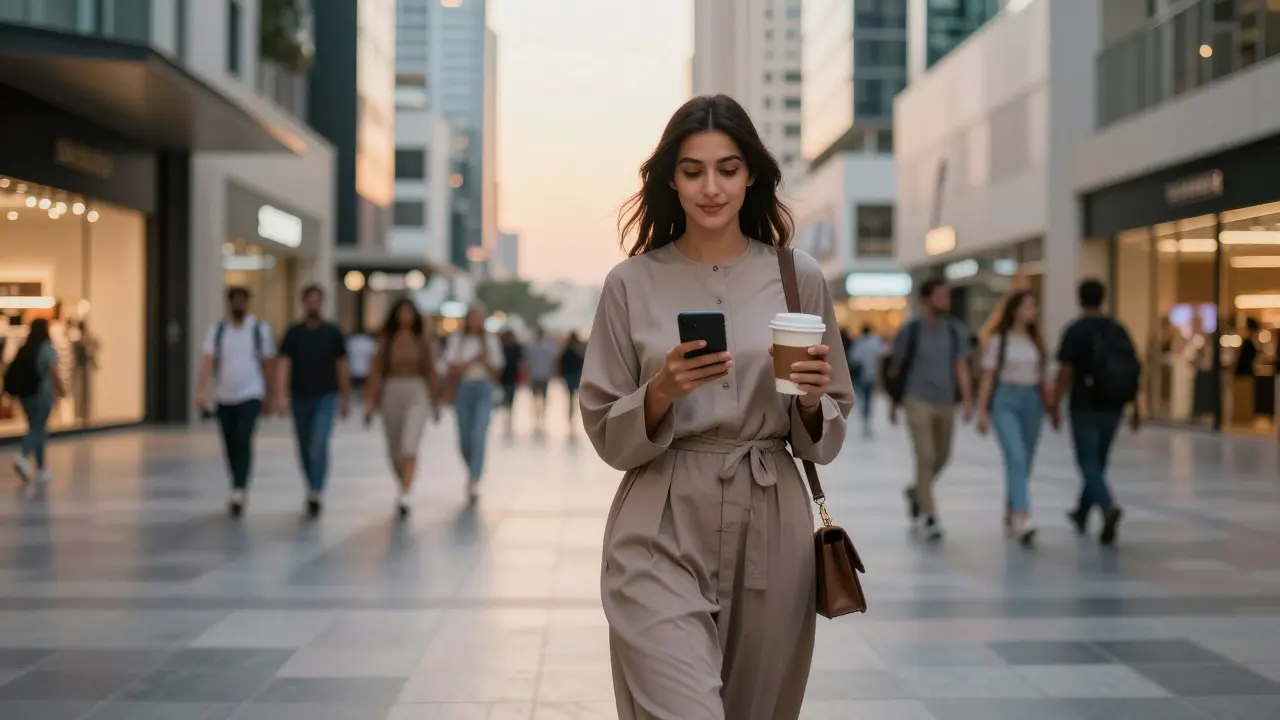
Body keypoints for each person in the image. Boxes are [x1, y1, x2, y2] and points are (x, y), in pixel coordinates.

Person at [579, 94, 852, 720]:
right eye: (693, 170)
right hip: (660, 517)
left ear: (751, 173)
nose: (711, 187)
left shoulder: (797, 275)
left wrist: (811, 402)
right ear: (670, 178)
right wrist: (661, 391)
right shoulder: (631, 283)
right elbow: (602, 427)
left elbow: (831, 423)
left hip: (771, 517)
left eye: (727, 169)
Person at [1049, 279, 1140, 546]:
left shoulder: (1076, 330)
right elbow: (1133, 369)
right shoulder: (1117, 329)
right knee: (1097, 462)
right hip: (1114, 405)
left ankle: (1107, 506)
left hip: (1085, 405)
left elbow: (1064, 372)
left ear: (1080, 299)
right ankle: (1081, 512)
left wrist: (1055, 404)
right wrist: (1136, 407)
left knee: (1088, 461)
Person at [886, 279, 973, 540]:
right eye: (940, 295)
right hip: (917, 400)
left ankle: (916, 492)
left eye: (947, 295)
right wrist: (893, 402)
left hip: (945, 401)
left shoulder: (954, 330)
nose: (945, 299)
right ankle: (930, 515)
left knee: (943, 456)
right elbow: (896, 368)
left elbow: (961, 366)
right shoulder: (911, 331)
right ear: (926, 299)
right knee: (925, 455)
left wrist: (968, 400)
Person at [195, 287, 276, 518]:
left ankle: (239, 489)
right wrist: (201, 391)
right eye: (235, 301)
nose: (239, 305)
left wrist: (270, 394)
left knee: (243, 438)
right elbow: (208, 362)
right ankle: (236, 483)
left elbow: (267, 363)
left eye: (242, 300)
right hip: (225, 396)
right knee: (230, 443)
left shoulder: (259, 330)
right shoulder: (218, 331)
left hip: (251, 394)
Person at [975, 291, 1047, 545]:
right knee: (1016, 456)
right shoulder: (998, 340)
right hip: (1005, 401)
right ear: (1014, 310)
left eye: (1033, 306)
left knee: (1024, 462)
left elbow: (1041, 376)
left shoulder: (1035, 340)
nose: (1032, 311)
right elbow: (988, 378)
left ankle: (1012, 510)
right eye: (1027, 306)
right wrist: (982, 411)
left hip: (1032, 402)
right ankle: (1022, 516)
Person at [276, 285, 350, 519]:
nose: (313, 305)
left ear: (322, 303)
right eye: (309, 301)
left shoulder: (332, 332)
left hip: (326, 396)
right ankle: (311, 486)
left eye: (317, 301)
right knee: (305, 445)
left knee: (319, 442)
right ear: (303, 303)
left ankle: (316, 491)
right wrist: (281, 394)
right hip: (300, 396)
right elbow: (284, 364)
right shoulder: (294, 333)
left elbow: (341, 366)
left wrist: (345, 396)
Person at [364, 298, 438, 518]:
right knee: (394, 447)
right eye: (401, 313)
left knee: (409, 444)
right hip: (392, 390)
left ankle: (406, 491)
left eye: (409, 313)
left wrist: (435, 400)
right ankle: (403, 482)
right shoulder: (386, 340)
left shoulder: (422, 339)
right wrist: (370, 400)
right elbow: (377, 371)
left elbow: (430, 370)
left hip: (416, 389)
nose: (405, 317)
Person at [439, 306, 502, 500]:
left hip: (483, 388)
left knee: (479, 434)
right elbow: (449, 366)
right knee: (465, 436)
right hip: (462, 389)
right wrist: (472, 360)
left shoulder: (490, 340)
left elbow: (497, 369)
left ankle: (475, 477)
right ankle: (471, 468)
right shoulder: (457, 340)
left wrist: (483, 361)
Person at [7, 318, 63, 483]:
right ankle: (23, 456)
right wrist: (61, 391)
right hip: (42, 395)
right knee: (39, 429)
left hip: (25, 396)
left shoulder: (25, 348)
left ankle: (40, 468)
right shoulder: (47, 348)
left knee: (36, 428)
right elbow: (54, 372)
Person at [847, 324, 885, 438]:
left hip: (860, 376)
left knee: (862, 399)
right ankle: (867, 421)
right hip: (872, 375)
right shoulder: (876, 343)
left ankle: (865, 418)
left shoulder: (859, 343)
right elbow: (880, 361)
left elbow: (853, 359)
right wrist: (880, 379)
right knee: (869, 399)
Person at [525, 326, 558, 428]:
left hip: (539, 375)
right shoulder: (545, 346)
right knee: (541, 396)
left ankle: (539, 414)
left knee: (538, 396)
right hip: (541, 375)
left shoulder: (533, 346)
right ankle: (539, 414)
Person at [498, 329, 523, 434]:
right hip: (505, 376)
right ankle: (507, 410)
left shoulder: (515, 347)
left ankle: (509, 411)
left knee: (511, 393)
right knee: (506, 393)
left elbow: (520, 361)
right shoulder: (501, 347)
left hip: (512, 375)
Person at [558, 331, 586, 429]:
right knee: (573, 394)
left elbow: (561, 362)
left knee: (571, 394)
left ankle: (571, 411)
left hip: (569, 374)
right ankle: (572, 411)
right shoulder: (579, 350)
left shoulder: (567, 349)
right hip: (574, 374)